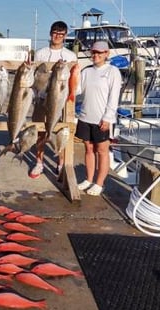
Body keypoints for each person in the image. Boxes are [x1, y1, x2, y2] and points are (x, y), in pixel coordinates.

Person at [30, 21, 77, 179]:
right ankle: (39, 161)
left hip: (60, 99)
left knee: (61, 131)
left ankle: (61, 161)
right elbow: (36, 78)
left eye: (61, 34)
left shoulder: (70, 56)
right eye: (55, 33)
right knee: (40, 131)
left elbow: (74, 81)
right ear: (50, 33)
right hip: (42, 98)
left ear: (65, 36)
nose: (57, 36)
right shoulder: (41, 53)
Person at [75, 41, 122, 196]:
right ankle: (88, 179)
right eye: (94, 52)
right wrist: (72, 75)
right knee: (88, 148)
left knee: (102, 150)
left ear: (106, 54)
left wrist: (108, 118)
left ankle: (99, 183)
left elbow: (114, 97)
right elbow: (77, 90)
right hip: (85, 117)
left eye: (99, 53)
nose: (96, 55)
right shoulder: (86, 71)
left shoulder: (113, 71)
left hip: (102, 119)